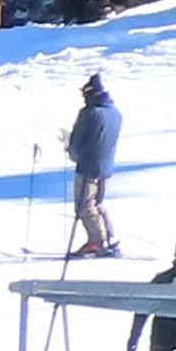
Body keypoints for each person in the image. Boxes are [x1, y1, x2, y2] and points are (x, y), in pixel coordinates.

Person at [63, 71, 122, 258]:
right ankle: (110, 237)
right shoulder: (115, 113)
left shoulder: (89, 113)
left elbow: (76, 143)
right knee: (98, 203)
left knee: (85, 205)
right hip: (106, 167)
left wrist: (70, 149)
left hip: (88, 166)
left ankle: (96, 242)